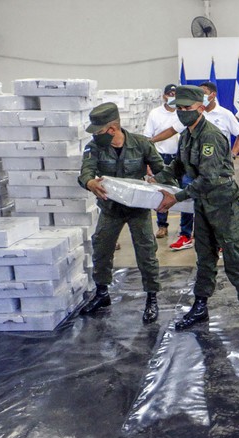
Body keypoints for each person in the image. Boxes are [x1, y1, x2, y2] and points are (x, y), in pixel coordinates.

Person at [155, 85, 239, 343]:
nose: (181, 113)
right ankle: (200, 307)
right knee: (205, 259)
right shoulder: (187, 135)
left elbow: (210, 178)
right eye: (178, 108)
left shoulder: (210, 136)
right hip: (203, 206)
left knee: (236, 263)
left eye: (186, 108)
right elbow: (178, 165)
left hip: (225, 208)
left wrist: (175, 198)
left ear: (200, 108)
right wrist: (156, 180)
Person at [78, 102, 178, 323]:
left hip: (138, 209)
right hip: (111, 209)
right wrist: (90, 183)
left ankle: (151, 297)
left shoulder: (141, 144)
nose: (96, 136)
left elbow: (161, 169)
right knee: (102, 248)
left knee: (146, 252)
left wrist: (164, 186)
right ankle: (102, 293)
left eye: (100, 131)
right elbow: (85, 172)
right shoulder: (94, 147)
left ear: (112, 129)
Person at [143, 84, 190, 246]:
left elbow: (177, 131)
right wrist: (148, 162)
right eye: (170, 94)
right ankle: (162, 226)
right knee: (161, 191)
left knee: (184, 190)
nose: (172, 97)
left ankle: (186, 230)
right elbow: (148, 138)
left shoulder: (182, 113)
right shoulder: (155, 114)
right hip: (160, 157)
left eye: (175, 94)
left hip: (181, 158)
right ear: (164, 96)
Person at [200, 81, 239, 157]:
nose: (200, 96)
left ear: (213, 94)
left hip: (220, 160)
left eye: (204, 93)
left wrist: (233, 154)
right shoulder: (196, 113)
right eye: (198, 93)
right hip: (199, 161)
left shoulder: (226, 114)